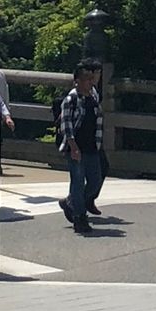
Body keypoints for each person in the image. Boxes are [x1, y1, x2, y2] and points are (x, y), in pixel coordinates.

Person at [57, 62, 103, 235]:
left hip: (92, 145)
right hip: (76, 147)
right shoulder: (71, 99)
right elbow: (66, 125)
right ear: (76, 81)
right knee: (77, 182)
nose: (89, 82)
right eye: (85, 79)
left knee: (95, 181)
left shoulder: (94, 96)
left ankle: (71, 202)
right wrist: (73, 146)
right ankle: (79, 217)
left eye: (91, 79)